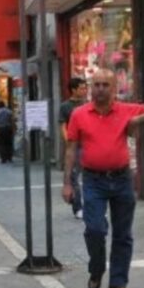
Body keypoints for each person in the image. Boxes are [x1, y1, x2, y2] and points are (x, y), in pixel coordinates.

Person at [63, 69, 144, 288]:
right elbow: (70, 149)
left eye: (105, 85)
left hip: (121, 179)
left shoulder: (127, 109)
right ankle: (97, 268)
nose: (100, 88)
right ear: (91, 87)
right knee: (95, 229)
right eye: (96, 84)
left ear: (114, 88)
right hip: (93, 180)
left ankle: (118, 282)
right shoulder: (79, 114)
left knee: (123, 233)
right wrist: (67, 184)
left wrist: (137, 120)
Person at [59, 77, 88, 219]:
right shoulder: (65, 106)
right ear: (73, 90)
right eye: (82, 88)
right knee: (74, 177)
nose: (85, 90)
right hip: (75, 146)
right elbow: (63, 126)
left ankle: (92, 206)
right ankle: (78, 207)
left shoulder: (89, 104)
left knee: (90, 176)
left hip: (89, 145)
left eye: (85, 87)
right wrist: (69, 142)